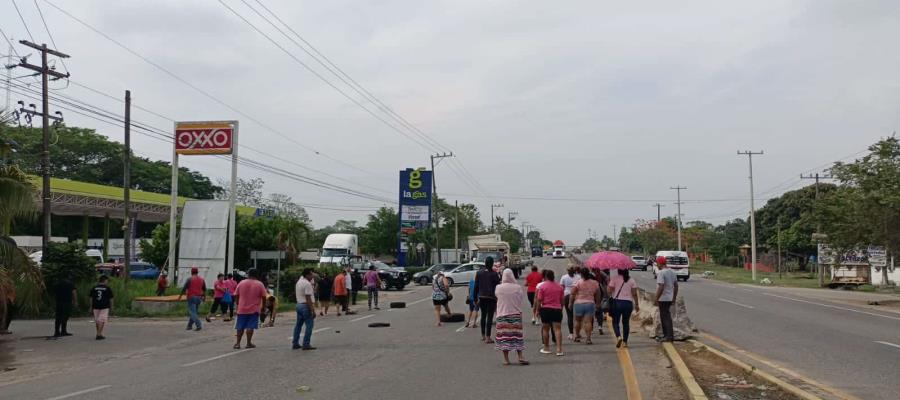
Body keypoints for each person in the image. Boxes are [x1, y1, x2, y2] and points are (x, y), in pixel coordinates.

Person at [494, 269, 529, 365]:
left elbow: (497, 296)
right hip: (515, 314)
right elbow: (520, 298)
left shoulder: (498, 287)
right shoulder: (517, 287)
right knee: (517, 336)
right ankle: (520, 356)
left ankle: (506, 359)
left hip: (502, 315)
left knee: (504, 337)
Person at [233, 268, 268, 349]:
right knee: (250, 326)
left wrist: (238, 303)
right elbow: (264, 297)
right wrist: (263, 307)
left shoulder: (242, 282)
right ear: (257, 275)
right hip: (254, 309)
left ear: (248, 274)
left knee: (240, 326)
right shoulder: (260, 284)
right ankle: (248, 343)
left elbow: (236, 294)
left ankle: (237, 343)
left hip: (241, 309)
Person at [534, 269, 564, 356]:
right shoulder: (559, 287)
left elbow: (539, 300)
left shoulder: (542, 287)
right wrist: (561, 308)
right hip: (557, 309)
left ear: (545, 276)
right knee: (557, 329)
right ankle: (559, 349)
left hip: (546, 309)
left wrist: (537, 310)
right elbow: (562, 301)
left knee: (545, 329)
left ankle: (546, 348)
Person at [609, 268, 640, 348]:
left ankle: (619, 337)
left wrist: (610, 287)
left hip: (617, 303)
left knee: (615, 322)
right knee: (626, 323)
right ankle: (625, 342)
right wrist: (636, 304)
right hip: (628, 304)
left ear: (618, 271)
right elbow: (634, 294)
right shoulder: (631, 280)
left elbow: (609, 291)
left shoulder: (614, 278)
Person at [569, 267, 600, 344]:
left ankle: (577, 336)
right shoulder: (595, 283)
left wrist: (570, 303)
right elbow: (598, 294)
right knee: (588, 322)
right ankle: (588, 338)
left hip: (578, 303)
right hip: (590, 303)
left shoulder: (577, 282)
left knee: (577, 321)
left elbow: (572, 294)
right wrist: (598, 303)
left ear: (581, 274)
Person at [473, 257, 501, 342]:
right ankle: (488, 337)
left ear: (485, 263)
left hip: (482, 297)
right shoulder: (494, 274)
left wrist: (475, 298)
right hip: (491, 297)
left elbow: (476, 286)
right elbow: (497, 286)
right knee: (489, 317)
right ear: (492, 264)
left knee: (483, 316)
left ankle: (483, 335)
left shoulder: (479, 273)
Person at [654, 256, 678, 342]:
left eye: (657, 263)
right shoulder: (672, 272)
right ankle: (666, 335)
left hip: (663, 298)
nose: (657, 265)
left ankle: (669, 337)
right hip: (669, 297)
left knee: (665, 317)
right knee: (665, 316)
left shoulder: (661, 273)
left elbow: (661, 286)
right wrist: (674, 297)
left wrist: (656, 298)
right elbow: (676, 286)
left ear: (660, 263)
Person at [292, 268, 317, 350]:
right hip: (306, 306)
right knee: (309, 325)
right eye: (311, 274)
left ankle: (295, 343)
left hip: (299, 305)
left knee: (298, 326)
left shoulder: (299, 282)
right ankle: (306, 343)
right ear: (307, 275)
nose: (312, 276)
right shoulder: (307, 284)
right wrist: (312, 310)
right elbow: (308, 298)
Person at [177, 267, 207, 331]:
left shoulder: (189, 279)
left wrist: (180, 296)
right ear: (197, 272)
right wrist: (204, 297)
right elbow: (204, 289)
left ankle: (198, 325)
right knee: (194, 312)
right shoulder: (202, 279)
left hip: (191, 297)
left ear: (191, 272)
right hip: (199, 297)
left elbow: (184, 288)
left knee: (192, 313)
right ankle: (189, 326)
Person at [559, 267, 581, 339]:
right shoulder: (578, 277)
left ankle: (571, 333)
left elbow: (561, 288)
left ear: (568, 270)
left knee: (570, 316)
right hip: (577, 296)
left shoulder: (564, 277)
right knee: (578, 316)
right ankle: (578, 333)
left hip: (567, 296)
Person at [90, 275, 114, 340]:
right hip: (104, 306)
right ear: (105, 280)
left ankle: (99, 333)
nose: (107, 282)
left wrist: (90, 307)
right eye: (107, 281)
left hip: (95, 305)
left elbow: (91, 298)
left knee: (97, 320)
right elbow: (111, 298)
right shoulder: (107, 288)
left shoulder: (94, 288)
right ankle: (98, 334)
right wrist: (112, 307)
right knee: (102, 320)